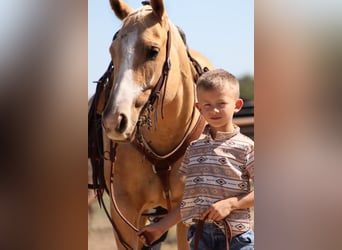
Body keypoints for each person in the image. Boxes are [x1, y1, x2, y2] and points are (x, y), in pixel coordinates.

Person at [137, 69, 254, 250]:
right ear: (198, 108)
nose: (214, 110)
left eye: (221, 103)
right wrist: (160, 228)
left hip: (236, 239)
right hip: (200, 238)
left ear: (237, 105)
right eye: (206, 105)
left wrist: (231, 204)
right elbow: (190, 201)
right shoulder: (193, 150)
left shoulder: (246, 147)